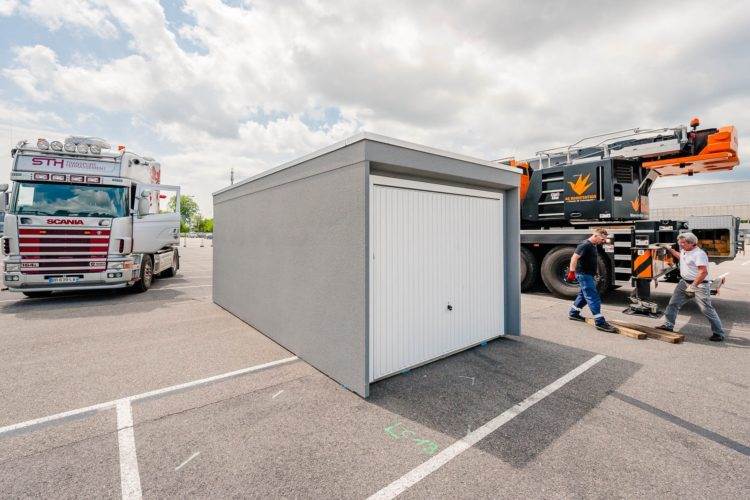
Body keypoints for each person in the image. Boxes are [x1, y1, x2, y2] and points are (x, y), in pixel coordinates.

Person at [657, 232, 726, 341]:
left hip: (699, 285)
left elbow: (703, 272)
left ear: (692, 243)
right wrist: (670, 249)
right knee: (673, 304)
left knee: (706, 309)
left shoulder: (699, 254)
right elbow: (682, 257)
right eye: (679, 243)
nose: (680, 245)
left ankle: (719, 333)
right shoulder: (685, 250)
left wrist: (693, 286)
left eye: (683, 243)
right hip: (684, 283)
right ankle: (668, 325)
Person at [567, 228, 617, 332]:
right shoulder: (585, 245)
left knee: (583, 295)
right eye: (602, 239)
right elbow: (574, 258)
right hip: (583, 275)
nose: (603, 241)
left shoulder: (593, 245)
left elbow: (591, 260)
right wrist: (572, 272)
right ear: (595, 236)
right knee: (593, 296)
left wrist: (596, 272)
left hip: (588, 274)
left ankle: (574, 313)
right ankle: (600, 322)